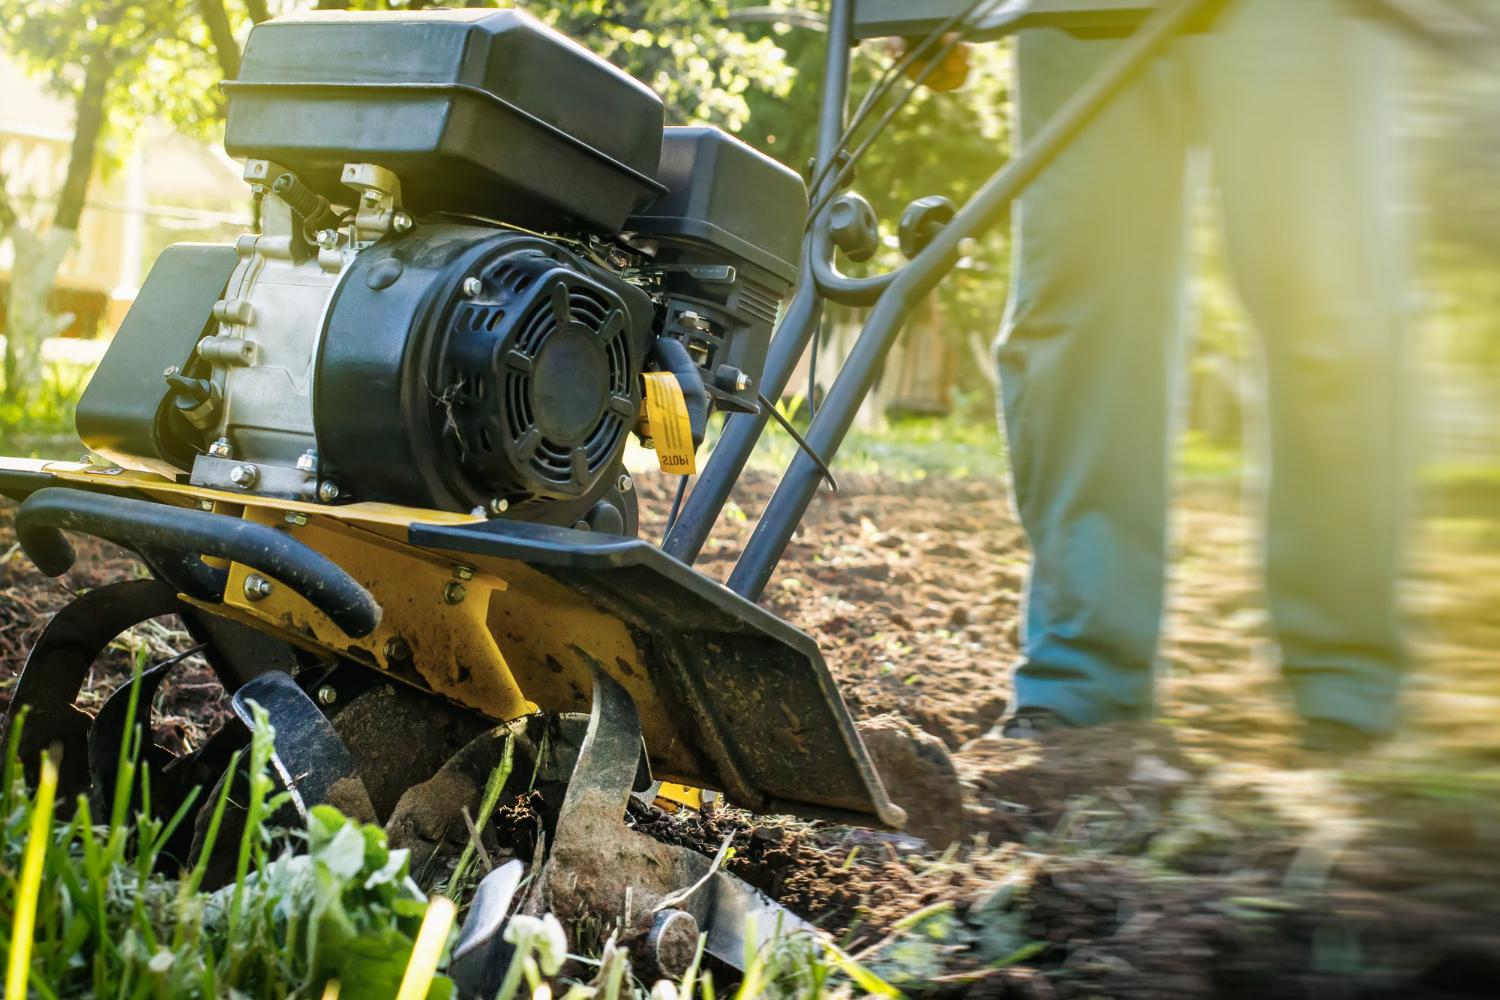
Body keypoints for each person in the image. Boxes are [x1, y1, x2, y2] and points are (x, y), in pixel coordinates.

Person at [989, 0, 1411, 751]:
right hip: (1075, 12)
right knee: (1081, 315)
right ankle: (1085, 672)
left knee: (1324, 301)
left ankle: (1344, 675)